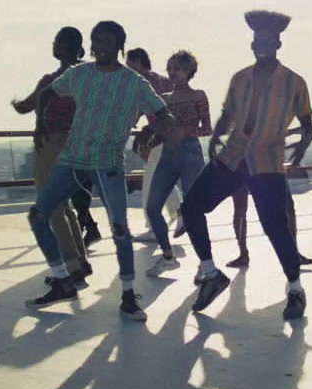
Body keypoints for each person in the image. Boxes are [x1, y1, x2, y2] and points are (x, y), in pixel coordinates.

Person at [24, 20, 178, 321]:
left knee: (120, 228)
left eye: (107, 41)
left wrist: (153, 131)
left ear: (119, 45)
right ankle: (62, 279)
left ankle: (129, 296)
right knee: (38, 215)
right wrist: (41, 125)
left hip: (107, 164)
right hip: (72, 160)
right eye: (96, 40)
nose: (100, 46)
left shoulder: (134, 83)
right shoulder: (79, 74)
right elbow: (47, 93)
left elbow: (164, 113)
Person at [179, 10, 312, 321]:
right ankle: (211, 273)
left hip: (266, 160)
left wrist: (304, 143)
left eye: (266, 40)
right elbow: (228, 114)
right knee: (191, 207)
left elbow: (307, 123)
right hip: (233, 156)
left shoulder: (295, 82)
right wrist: (216, 136)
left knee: (275, 227)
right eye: (256, 40)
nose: (260, 45)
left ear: (278, 43)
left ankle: (295, 289)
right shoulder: (240, 78)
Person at [10, 26, 93, 285]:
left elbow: (27, 106)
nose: (53, 45)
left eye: (57, 41)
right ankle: (80, 261)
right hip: (78, 145)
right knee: (63, 205)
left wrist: (14, 103)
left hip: (53, 144)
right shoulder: (87, 76)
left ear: (67, 47)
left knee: (51, 207)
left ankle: (71, 266)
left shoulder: (52, 79)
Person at [140, 51, 211, 275]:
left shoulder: (199, 95)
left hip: (190, 154)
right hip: (168, 155)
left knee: (194, 211)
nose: (172, 73)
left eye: (177, 69)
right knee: (152, 208)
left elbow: (207, 128)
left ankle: (205, 262)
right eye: (170, 68)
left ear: (189, 72)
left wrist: (183, 131)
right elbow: (160, 128)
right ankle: (168, 256)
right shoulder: (165, 99)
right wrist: (150, 140)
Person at [126, 47, 178, 240]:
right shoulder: (162, 80)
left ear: (138, 62)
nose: (127, 69)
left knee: (150, 180)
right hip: (172, 137)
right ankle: (177, 211)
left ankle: (153, 227)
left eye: (129, 64)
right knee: (160, 177)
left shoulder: (144, 83)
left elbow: (140, 111)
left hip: (160, 137)